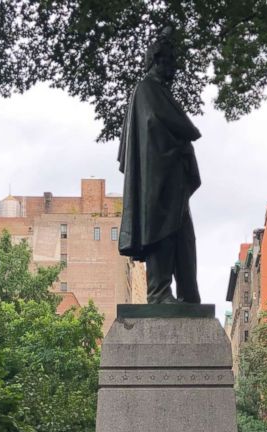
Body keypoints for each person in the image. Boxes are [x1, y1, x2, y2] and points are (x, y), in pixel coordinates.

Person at [117, 25, 202, 304]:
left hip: (172, 178)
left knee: (185, 240)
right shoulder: (147, 89)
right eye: (169, 61)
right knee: (162, 232)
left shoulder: (159, 92)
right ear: (156, 61)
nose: (174, 68)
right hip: (158, 178)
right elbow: (156, 125)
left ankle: (189, 296)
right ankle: (158, 293)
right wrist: (180, 144)